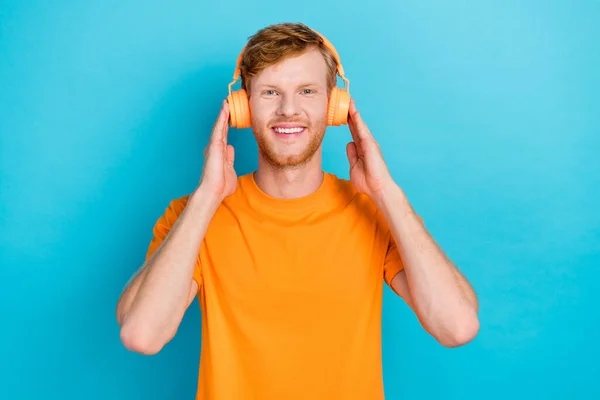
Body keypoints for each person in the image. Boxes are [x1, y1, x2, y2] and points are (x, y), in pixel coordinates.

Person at [116, 22, 479, 399]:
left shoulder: (376, 211)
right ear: (242, 107)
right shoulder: (194, 216)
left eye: (306, 91)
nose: (289, 110)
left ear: (334, 106)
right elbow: (142, 335)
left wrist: (386, 192)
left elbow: (457, 326)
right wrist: (208, 196)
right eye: (271, 92)